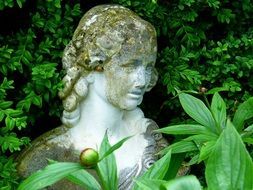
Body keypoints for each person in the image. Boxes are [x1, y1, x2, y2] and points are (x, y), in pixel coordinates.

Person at [16, 4, 167, 190]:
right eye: (130, 66)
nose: (142, 80)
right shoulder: (45, 159)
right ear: (94, 67)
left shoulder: (152, 144)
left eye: (148, 67)